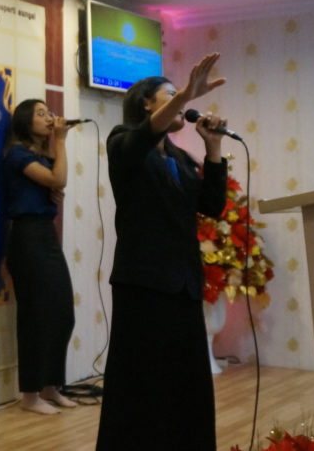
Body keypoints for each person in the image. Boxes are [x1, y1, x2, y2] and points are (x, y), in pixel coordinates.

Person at [96, 54, 229, 450]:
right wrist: (187, 93)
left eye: (179, 95)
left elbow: (212, 205)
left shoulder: (180, 159)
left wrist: (214, 147)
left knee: (186, 383)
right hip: (144, 283)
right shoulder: (122, 142)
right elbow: (141, 137)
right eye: (170, 95)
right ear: (146, 104)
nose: (182, 102)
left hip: (184, 283)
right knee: (144, 382)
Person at [0, 98, 78, 415]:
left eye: (50, 112)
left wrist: (54, 189)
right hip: (27, 236)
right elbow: (58, 180)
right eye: (41, 114)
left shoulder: (41, 157)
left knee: (61, 312)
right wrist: (61, 140)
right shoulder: (17, 154)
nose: (49, 118)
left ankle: (51, 386)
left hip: (45, 234)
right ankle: (30, 395)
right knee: (35, 316)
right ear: (24, 121)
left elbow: (56, 185)